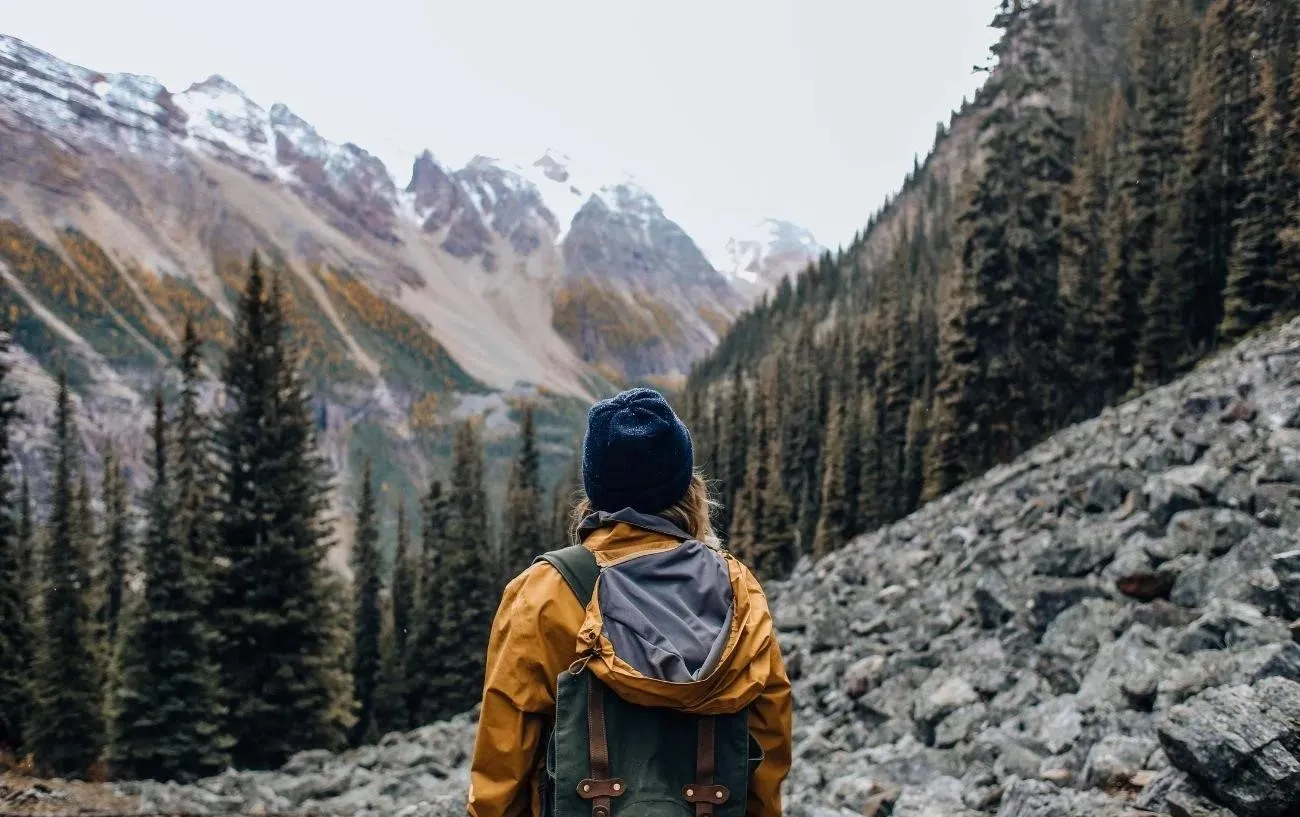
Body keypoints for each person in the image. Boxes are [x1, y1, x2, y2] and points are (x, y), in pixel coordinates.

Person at [468, 387, 793, 817]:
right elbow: (766, 746)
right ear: (687, 488)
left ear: (595, 490)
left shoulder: (545, 592)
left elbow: (503, 765)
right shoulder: (738, 589)